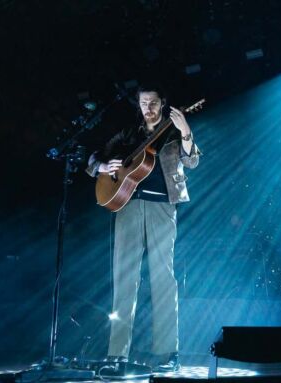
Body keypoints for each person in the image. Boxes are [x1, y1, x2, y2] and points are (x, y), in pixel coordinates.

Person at [86, 84, 200, 372]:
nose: (148, 107)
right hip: (128, 205)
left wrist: (185, 129)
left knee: (163, 276)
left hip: (162, 205)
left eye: (152, 102)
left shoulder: (173, 130)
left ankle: (167, 353)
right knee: (124, 278)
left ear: (162, 103)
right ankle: (117, 355)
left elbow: (193, 160)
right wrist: (101, 167)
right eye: (143, 103)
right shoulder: (129, 133)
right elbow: (95, 158)